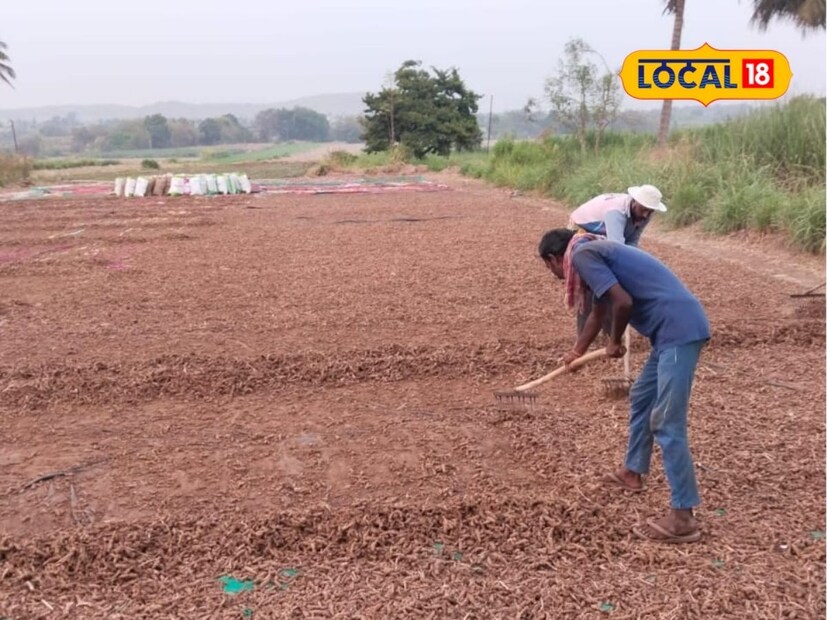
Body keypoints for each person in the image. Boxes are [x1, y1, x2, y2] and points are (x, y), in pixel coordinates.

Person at [537, 228, 711, 544]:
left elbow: (622, 302)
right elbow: (599, 310)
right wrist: (576, 353)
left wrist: (616, 341)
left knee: (666, 422)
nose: (554, 276)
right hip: (668, 334)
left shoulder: (582, 255)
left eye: (549, 268)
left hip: (679, 331)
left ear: (553, 258)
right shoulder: (593, 252)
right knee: (643, 396)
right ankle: (632, 472)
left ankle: (684, 517)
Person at [568, 184, 667, 248]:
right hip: (579, 227)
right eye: (643, 209)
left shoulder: (644, 215)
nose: (646, 215)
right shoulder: (616, 211)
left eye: (650, 211)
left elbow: (632, 241)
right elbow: (616, 247)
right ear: (634, 202)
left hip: (603, 233)